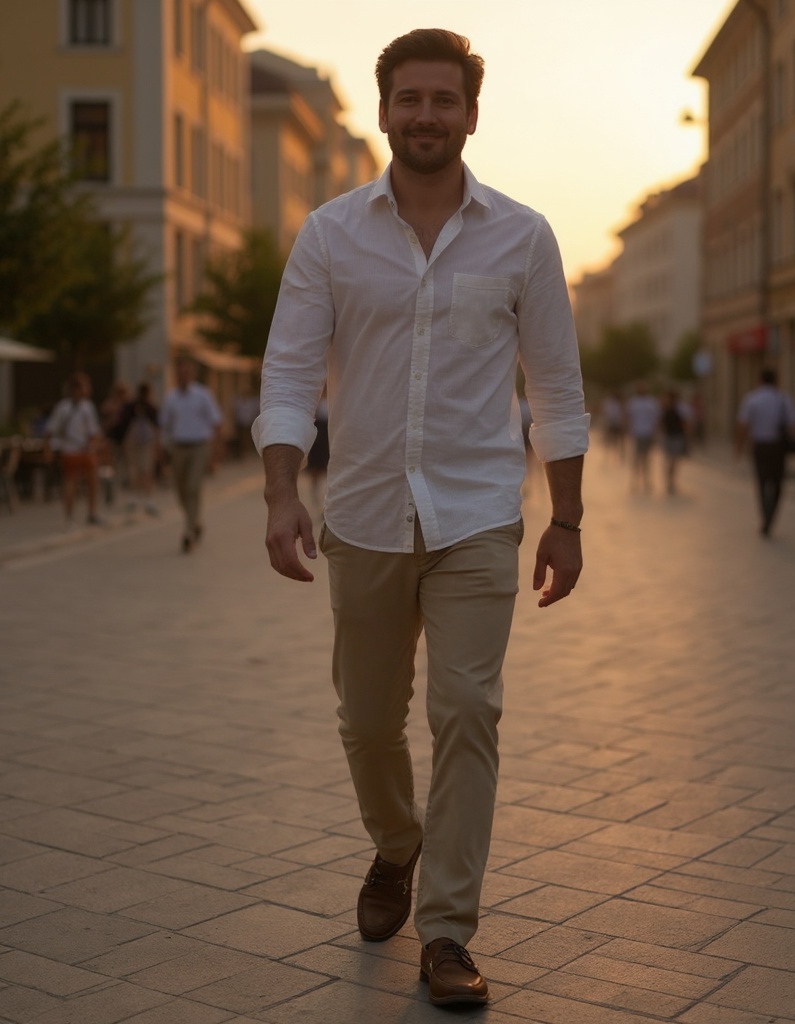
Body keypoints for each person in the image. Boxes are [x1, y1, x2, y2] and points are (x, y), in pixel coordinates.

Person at [252, 29, 588, 1007]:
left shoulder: (521, 235)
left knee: (468, 711)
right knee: (365, 722)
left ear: (471, 115)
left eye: (445, 100)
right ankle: (397, 845)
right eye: (410, 100)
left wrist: (567, 519)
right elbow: (286, 370)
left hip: (479, 516)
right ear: (387, 108)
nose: (427, 116)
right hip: (358, 510)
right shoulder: (329, 234)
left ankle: (448, 927)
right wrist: (280, 494)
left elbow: (558, 386)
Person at [160, 355, 222, 553]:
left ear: (192, 374)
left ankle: (188, 532)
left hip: (199, 446)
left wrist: (216, 453)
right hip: (178, 446)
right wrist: (161, 451)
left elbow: (216, 422)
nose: (183, 375)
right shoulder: (170, 398)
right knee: (181, 490)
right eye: (180, 372)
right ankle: (195, 520)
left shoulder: (203, 395)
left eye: (187, 371)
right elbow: (164, 426)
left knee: (194, 487)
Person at [735, 367, 795, 537]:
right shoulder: (783, 399)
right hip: (778, 447)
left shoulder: (752, 399)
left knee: (762, 482)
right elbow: (793, 425)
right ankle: (771, 516)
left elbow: (743, 425)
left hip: (760, 446)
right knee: (777, 483)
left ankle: (765, 516)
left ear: (760, 379)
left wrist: (739, 449)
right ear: (776, 380)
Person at [45, 372, 103, 525]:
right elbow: (93, 432)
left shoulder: (69, 406)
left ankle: (78, 515)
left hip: (75, 450)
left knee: (82, 482)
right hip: (77, 450)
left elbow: (49, 430)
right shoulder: (83, 407)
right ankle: (81, 514)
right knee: (75, 483)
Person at [118, 381, 161, 516]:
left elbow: (157, 427)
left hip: (146, 444)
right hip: (133, 444)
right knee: (134, 472)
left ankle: (148, 499)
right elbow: (123, 425)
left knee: (146, 471)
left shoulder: (151, 408)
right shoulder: (131, 407)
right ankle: (134, 498)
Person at [625, 380, 659, 493]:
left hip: (648, 433)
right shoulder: (633, 402)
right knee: (637, 459)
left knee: (647, 459)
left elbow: (655, 419)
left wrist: (655, 433)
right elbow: (629, 417)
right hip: (637, 433)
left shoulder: (651, 402)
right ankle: (635, 481)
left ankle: (646, 481)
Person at [660, 389, 689, 495]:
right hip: (669, 437)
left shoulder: (680, 409)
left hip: (676, 437)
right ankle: (669, 481)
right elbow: (661, 423)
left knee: (674, 461)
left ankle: (671, 480)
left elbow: (685, 423)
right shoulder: (664, 408)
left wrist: (687, 437)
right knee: (670, 460)